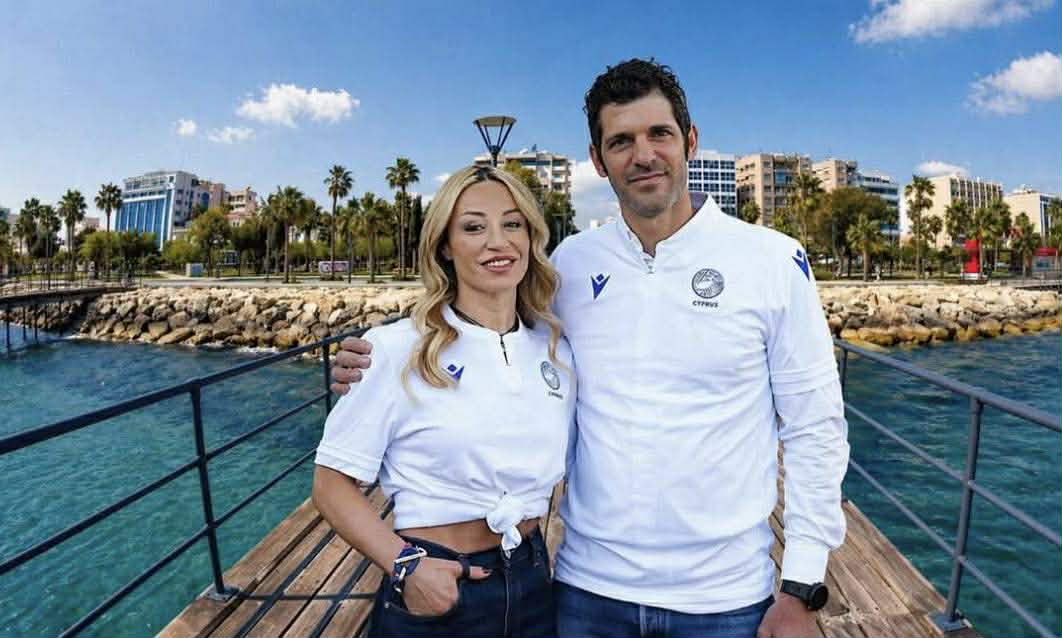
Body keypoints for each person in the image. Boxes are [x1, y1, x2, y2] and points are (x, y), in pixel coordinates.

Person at [332, 58, 849, 638]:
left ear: (690, 141)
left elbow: (815, 427)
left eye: (659, 134)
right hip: (587, 593)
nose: (644, 155)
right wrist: (378, 357)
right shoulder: (572, 264)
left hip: (725, 598)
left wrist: (802, 586)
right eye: (621, 141)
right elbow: (486, 326)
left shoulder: (772, 260)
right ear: (599, 160)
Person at [313, 165, 576, 637]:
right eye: (474, 227)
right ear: (445, 247)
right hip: (437, 586)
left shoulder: (554, 350)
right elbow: (331, 484)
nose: (498, 241)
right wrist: (407, 567)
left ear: (531, 237)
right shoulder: (396, 348)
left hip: (533, 581)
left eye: (512, 224)